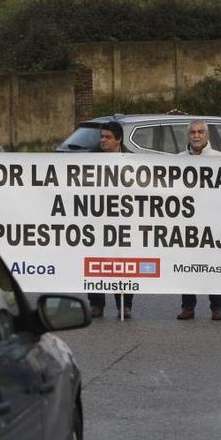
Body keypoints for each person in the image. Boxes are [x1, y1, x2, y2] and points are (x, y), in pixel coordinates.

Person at [176, 120, 221, 321]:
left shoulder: (219, 159)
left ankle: (217, 307)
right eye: (192, 132)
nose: (196, 136)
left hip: (211, 223)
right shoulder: (178, 160)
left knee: (212, 266)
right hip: (186, 224)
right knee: (187, 265)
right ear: (188, 135)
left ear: (207, 135)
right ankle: (188, 307)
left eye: (200, 132)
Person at [87, 121, 135, 319]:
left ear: (119, 140)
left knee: (123, 262)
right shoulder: (91, 158)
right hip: (97, 220)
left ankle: (124, 304)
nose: (103, 141)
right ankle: (96, 303)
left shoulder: (133, 161)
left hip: (123, 221)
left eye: (107, 137)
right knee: (95, 261)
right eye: (102, 137)